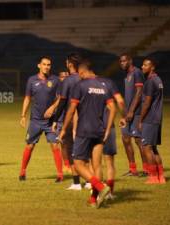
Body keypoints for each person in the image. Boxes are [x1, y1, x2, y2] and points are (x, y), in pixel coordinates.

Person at [58, 58, 115, 208]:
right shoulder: (104, 86)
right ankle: (93, 199)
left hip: (84, 130)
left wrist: (63, 129)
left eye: (80, 74)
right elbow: (113, 108)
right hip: (100, 130)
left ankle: (101, 187)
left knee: (77, 164)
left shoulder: (80, 85)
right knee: (97, 166)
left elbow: (71, 110)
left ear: (82, 72)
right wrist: (108, 129)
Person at [18, 56, 63, 182]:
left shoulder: (55, 80)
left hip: (50, 122)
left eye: (49, 64)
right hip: (35, 121)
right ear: (39, 65)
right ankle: (22, 172)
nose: (46, 66)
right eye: (44, 64)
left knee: (55, 145)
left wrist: (53, 107)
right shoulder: (32, 80)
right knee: (30, 146)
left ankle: (60, 175)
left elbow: (60, 98)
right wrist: (23, 115)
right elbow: (27, 98)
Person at [52, 53, 82, 190]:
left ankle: (76, 183)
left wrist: (55, 119)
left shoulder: (68, 81)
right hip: (87, 118)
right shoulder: (85, 78)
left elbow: (63, 102)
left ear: (69, 64)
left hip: (71, 120)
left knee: (71, 150)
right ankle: (89, 181)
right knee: (86, 150)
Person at [119, 53, 147, 176]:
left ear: (130, 61)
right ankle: (133, 169)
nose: (122, 63)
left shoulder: (137, 73)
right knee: (125, 138)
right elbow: (128, 97)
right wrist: (124, 114)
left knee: (138, 140)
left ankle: (147, 170)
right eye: (120, 62)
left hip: (136, 113)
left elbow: (139, 92)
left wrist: (131, 111)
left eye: (124, 61)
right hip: (128, 114)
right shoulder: (127, 76)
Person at [138, 57, 165, 184]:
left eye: (145, 65)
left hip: (150, 118)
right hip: (157, 118)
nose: (142, 67)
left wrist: (141, 119)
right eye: (143, 65)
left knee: (146, 147)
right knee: (153, 148)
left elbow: (147, 103)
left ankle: (153, 177)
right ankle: (162, 177)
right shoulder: (158, 79)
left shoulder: (149, 82)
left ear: (152, 67)